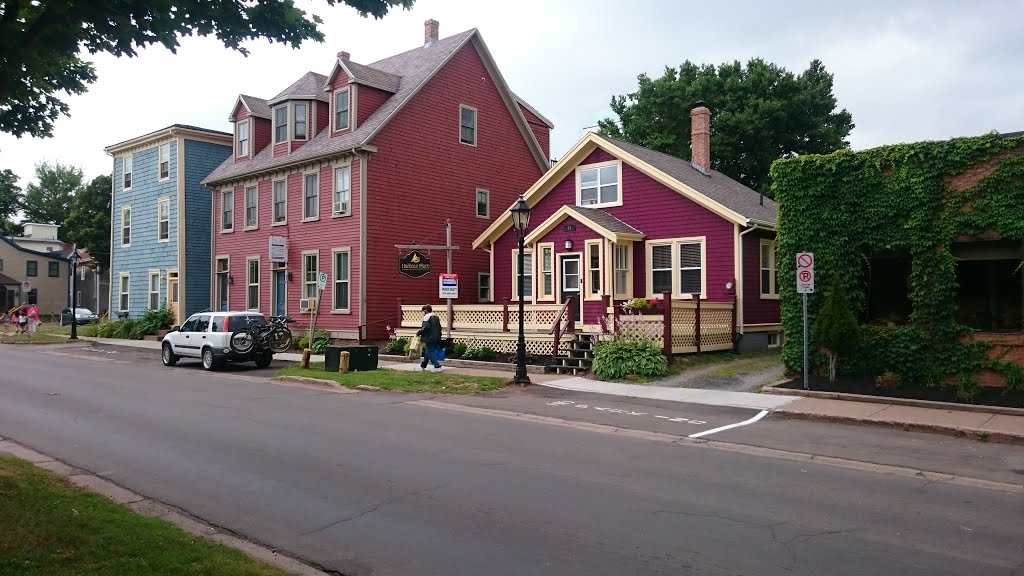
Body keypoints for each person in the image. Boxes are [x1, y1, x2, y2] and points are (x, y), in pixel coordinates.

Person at [415, 304, 443, 370]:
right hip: (436, 336)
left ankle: (437, 366)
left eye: (423, 311)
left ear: (426, 310)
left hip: (429, 337)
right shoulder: (436, 316)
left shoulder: (427, 317)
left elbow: (426, 328)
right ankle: (423, 365)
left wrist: (419, 332)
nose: (423, 313)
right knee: (428, 351)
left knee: (430, 351)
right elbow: (439, 327)